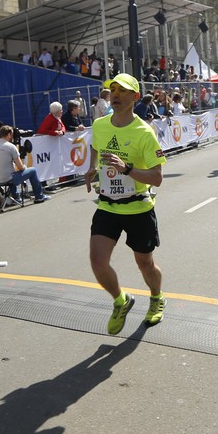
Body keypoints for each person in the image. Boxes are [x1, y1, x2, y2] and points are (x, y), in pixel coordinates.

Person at [86, 73, 166, 334]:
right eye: (113, 90)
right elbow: (96, 146)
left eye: (123, 91)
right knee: (98, 262)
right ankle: (121, 300)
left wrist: (127, 169)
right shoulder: (100, 125)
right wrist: (91, 167)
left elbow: (157, 178)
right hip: (108, 205)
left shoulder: (144, 132)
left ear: (135, 97)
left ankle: (156, 297)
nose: (116, 95)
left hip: (138, 208)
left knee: (145, 264)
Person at [0, 124, 49, 204]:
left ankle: (16, 197)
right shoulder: (11, 147)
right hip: (7, 179)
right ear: (9, 134)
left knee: (11, 172)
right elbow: (21, 167)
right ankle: (39, 197)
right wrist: (24, 167)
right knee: (32, 170)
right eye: (12, 134)